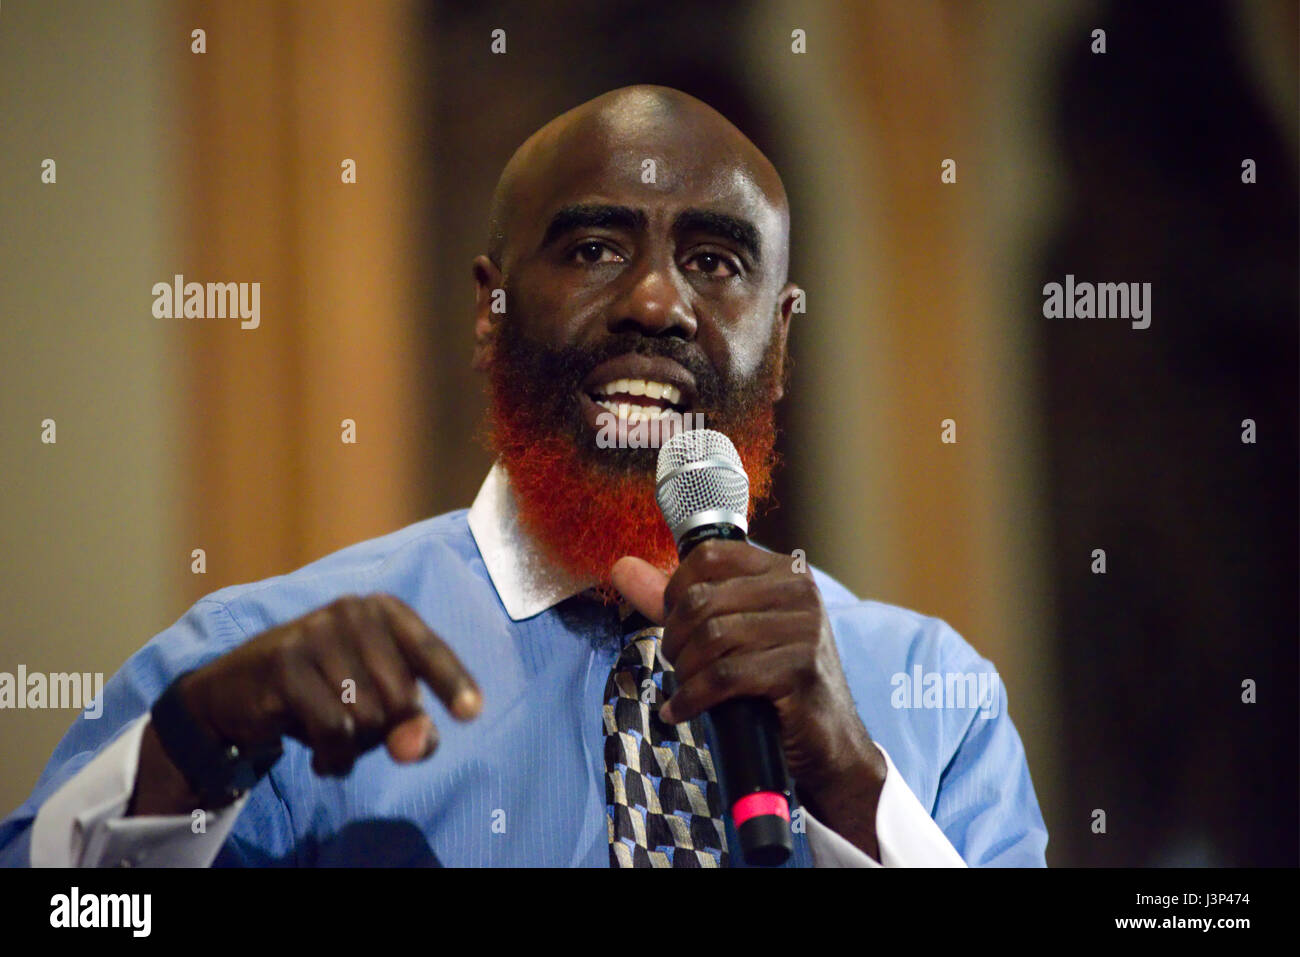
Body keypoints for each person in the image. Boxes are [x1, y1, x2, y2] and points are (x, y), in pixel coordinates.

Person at [0, 85, 1046, 867]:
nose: (655, 302)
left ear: (777, 344)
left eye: (716, 263)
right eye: (594, 248)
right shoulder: (253, 674)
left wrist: (854, 786)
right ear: (489, 312)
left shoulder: (930, 699)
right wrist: (196, 745)